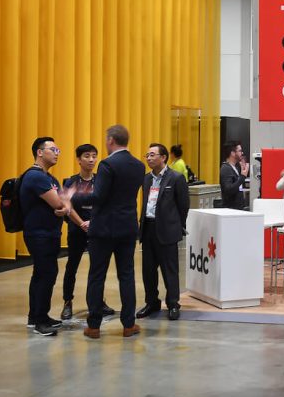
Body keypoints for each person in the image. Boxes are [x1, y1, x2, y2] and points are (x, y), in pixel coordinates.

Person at [66, 125, 145, 339]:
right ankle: (129, 325)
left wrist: (72, 195)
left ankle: (94, 326)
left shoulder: (107, 164)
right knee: (127, 275)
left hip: (103, 229)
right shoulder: (139, 166)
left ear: (110, 140)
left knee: (97, 275)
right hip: (127, 228)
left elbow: (98, 196)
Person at [60, 144, 115, 321]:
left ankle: (98, 302)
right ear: (78, 159)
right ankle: (67, 302)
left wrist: (94, 222)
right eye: (86, 156)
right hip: (77, 229)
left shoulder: (100, 180)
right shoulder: (71, 182)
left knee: (98, 267)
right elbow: (67, 206)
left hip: (97, 229)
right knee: (72, 266)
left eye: (94, 156)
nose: (91, 160)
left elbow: (107, 204)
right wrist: (81, 223)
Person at [136, 143, 190, 322]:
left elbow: (183, 206)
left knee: (170, 270)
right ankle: (152, 302)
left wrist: (176, 225)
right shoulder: (146, 179)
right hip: (148, 229)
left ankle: (173, 304)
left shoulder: (176, 178)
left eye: (152, 155)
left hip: (167, 230)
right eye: (147, 155)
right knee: (148, 271)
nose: (149, 158)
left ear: (163, 157)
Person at [20, 137, 67, 336]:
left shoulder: (50, 178)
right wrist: (63, 207)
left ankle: (37, 316)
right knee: (46, 275)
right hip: (39, 235)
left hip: (49, 234)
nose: (57, 153)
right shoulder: (36, 177)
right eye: (53, 149)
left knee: (42, 274)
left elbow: (63, 203)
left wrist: (63, 206)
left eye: (58, 150)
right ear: (40, 152)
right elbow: (59, 203)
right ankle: (40, 321)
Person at [220, 141, 248, 210]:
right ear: (232, 153)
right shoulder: (226, 168)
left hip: (238, 209)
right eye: (240, 151)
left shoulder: (236, 167)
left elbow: (237, 187)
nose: (242, 153)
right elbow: (228, 190)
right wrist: (242, 177)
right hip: (231, 210)